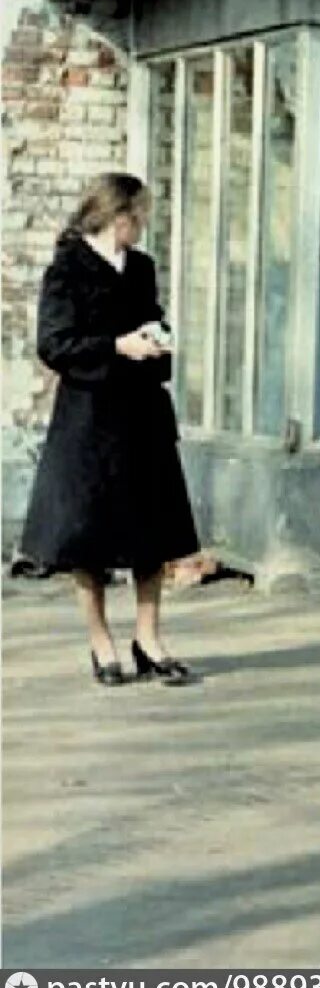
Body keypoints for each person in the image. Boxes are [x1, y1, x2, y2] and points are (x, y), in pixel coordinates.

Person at [20, 172, 202, 687]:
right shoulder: (68, 268)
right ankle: (101, 642)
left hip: (141, 414)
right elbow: (55, 344)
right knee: (89, 536)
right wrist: (117, 346)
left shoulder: (140, 267)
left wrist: (158, 335)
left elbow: (150, 314)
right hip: (90, 418)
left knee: (152, 531)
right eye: (138, 213)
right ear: (116, 214)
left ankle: (149, 638)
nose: (143, 223)